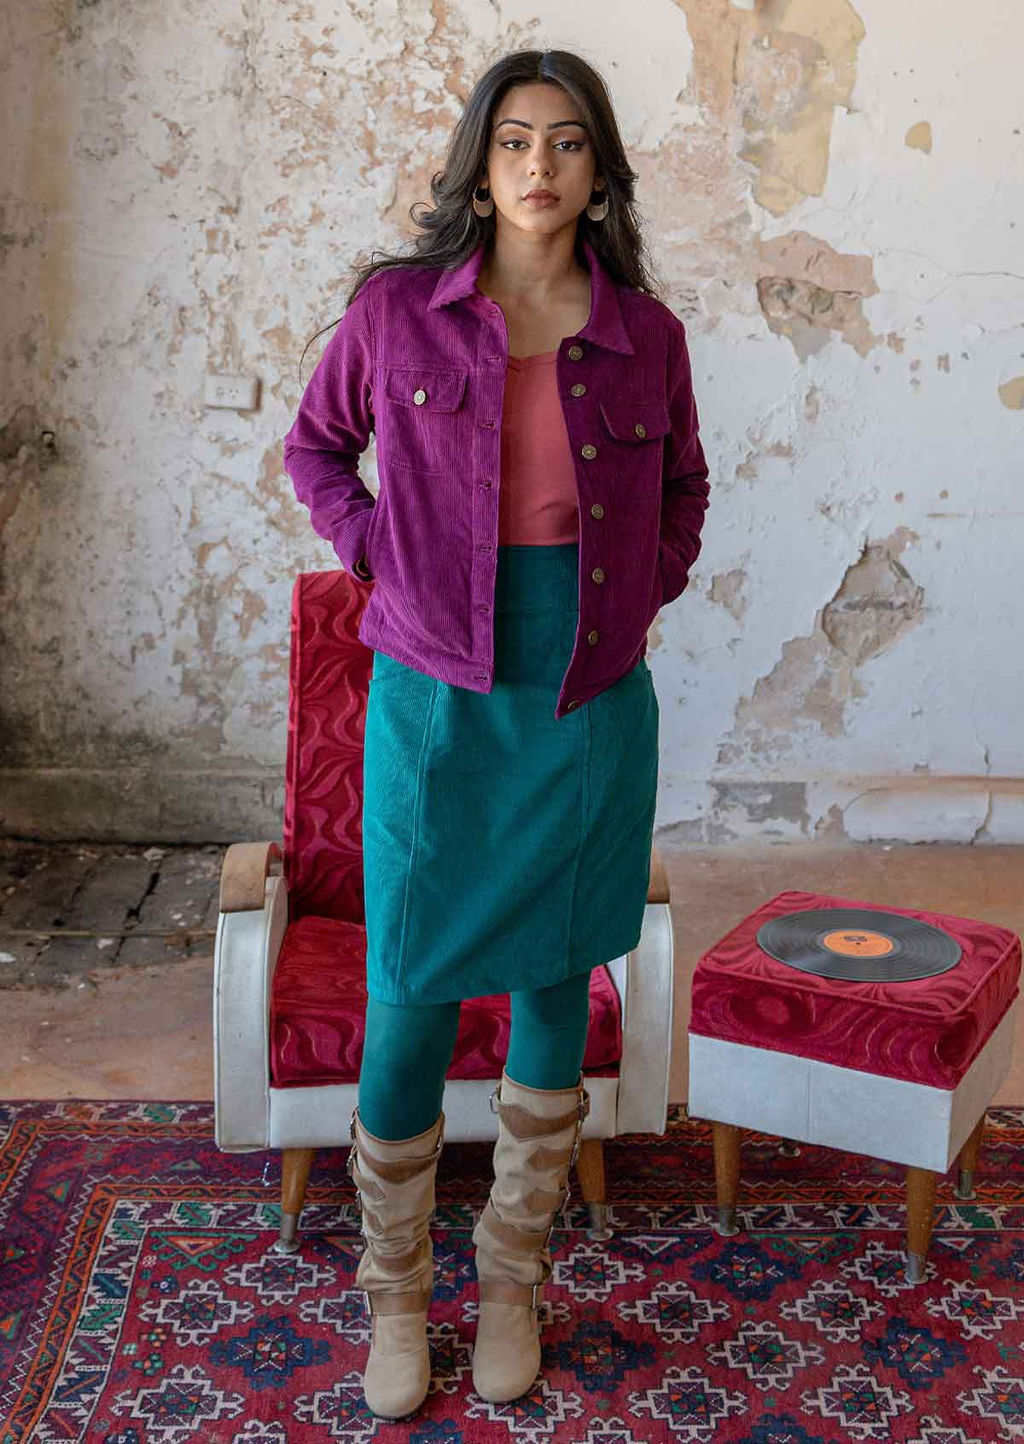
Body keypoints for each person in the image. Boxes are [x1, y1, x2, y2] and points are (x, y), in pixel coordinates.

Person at [282, 47, 709, 1422]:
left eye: (569, 141)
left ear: (600, 170)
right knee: (408, 987)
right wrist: (381, 559)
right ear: (478, 164)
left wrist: (642, 586)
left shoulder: (646, 333)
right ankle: (397, 1296)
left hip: (588, 691)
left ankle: (510, 1272)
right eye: (515, 140)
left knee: (548, 986)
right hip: (435, 691)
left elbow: (687, 488)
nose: (540, 165)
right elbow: (313, 451)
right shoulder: (397, 315)